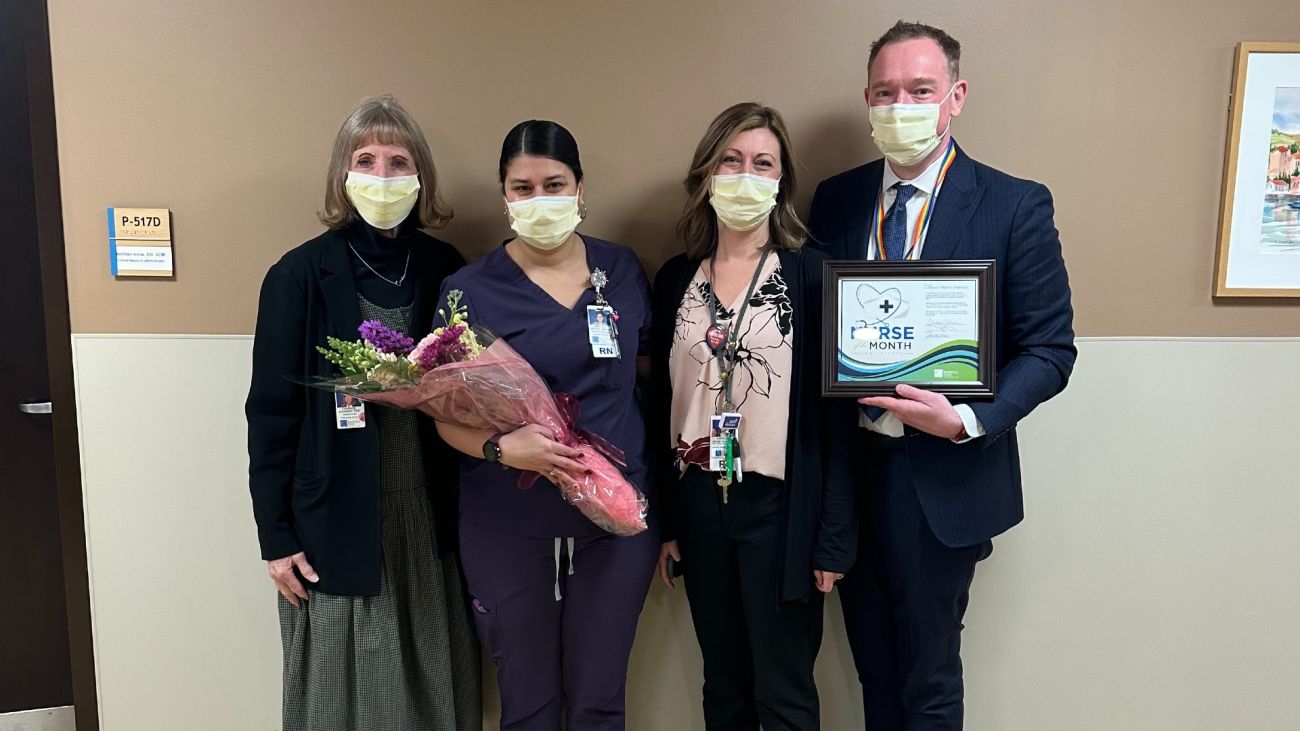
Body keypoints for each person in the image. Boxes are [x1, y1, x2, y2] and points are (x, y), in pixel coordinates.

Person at [807, 22, 1077, 730]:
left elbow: (1051, 350)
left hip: (942, 479)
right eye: (886, 92)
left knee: (929, 678)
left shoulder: (1014, 204)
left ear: (954, 97)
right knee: (873, 669)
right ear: (866, 101)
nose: (902, 105)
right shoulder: (834, 200)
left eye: (920, 90)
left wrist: (966, 419)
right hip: (851, 474)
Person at [246, 95, 480, 731]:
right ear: (342, 176)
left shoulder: (446, 268)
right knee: (350, 700)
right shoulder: (297, 276)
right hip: (335, 516)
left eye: (399, 161)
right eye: (366, 160)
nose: (382, 177)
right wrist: (276, 536)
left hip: (430, 514)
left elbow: (472, 386)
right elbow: (270, 415)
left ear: (421, 176)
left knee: (431, 684)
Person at [433, 120, 658, 731]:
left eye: (554, 184)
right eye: (523, 187)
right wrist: (505, 450)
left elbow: (642, 380)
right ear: (504, 197)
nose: (540, 201)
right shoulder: (467, 292)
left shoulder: (622, 270)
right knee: (526, 702)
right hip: (507, 523)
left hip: (614, 517)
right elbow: (444, 419)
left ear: (581, 190)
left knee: (598, 699)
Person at [649, 102, 857, 731]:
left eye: (762, 163)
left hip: (782, 509)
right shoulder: (674, 280)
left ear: (781, 180)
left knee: (784, 690)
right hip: (698, 503)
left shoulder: (813, 275)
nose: (745, 175)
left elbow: (839, 423)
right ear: (706, 175)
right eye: (730, 161)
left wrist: (834, 535)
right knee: (725, 686)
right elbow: (661, 403)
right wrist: (665, 520)